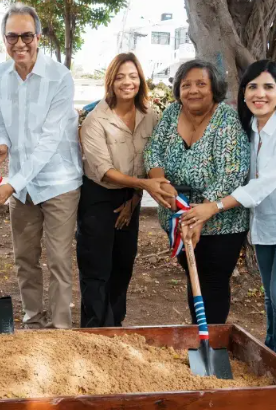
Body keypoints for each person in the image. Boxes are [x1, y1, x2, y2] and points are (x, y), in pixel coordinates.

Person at [182, 60, 276, 363]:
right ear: (244, 93)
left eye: (268, 87)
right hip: (265, 226)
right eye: (253, 87)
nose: (260, 94)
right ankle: (271, 354)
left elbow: (263, 184)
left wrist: (215, 206)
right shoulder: (249, 128)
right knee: (271, 298)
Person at [0, 3, 83, 329]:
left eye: (27, 35)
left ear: (38, 36)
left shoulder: (60, 77)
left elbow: (50, 140)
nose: (20, 43)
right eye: (12, 36)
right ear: (4, 39)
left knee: (58, 260)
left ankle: (59, 330)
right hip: (21, 186)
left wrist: (12, 183)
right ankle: (32, 320)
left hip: (59, 181)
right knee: (25, 258)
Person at [144, 59, 250, 326]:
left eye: (201, 84)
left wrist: (200, 214)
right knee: (194, 279)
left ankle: (211, 344)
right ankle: (197, 334)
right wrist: (160, 181)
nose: (193, 90)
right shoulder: (171, 113)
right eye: (186, 84)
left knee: (212, 281)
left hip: (220, 221)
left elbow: (232, 171)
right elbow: (153, 151)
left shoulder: (226, 118)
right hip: (177, 217)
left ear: (214, 88)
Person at [76, 52, 174, 327]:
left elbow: (149, 161)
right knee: (97, 269)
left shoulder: (150, 116)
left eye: (132, 76)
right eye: (120, 77)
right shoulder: (96, 120)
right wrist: (142, 186)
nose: (127, 82)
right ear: (111, 82)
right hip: (99, 198)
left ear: (140, 80)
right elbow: (104, 170)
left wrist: (134, 199)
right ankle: (95, 331)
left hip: (131, 198)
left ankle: (115, 328)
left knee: (123, 266)